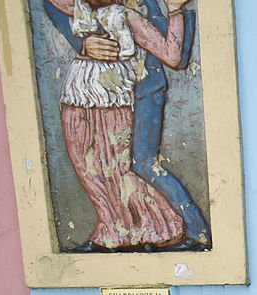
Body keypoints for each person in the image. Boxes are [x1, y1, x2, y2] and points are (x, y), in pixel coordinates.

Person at [43, 0, 210, 252]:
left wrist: (176, 10)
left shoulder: (130, 13)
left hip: (130, 93)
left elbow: (174, 55)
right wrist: (82, 44)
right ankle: (116, 231)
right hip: (82, 96)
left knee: (135, 165)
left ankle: (181, 229)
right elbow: (54, 6)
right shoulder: (81, 11)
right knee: (92, 169)